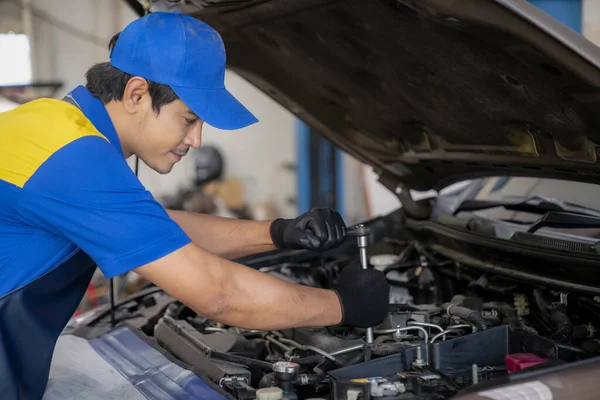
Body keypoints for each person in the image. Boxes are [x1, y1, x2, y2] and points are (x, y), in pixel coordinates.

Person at [0, 11, 389, 399]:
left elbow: (155, 229)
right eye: (188, 119)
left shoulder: (52, 124)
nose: (197, 140)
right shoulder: (74, 161)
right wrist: (341, 305)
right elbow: (219, 295)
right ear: (136, 94)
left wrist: (278, 232)